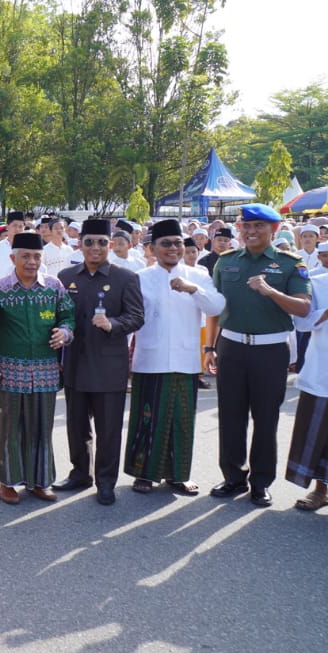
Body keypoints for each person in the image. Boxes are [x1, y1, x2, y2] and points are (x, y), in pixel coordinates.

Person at [206, 203, 311, 507]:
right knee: (231, 416)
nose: (251, 232)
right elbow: (215, 307)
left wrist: (271, 292)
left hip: (270, 350)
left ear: (273, 229)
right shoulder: (225, 262)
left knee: (266, 419)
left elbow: (303, 307)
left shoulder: (290, 264)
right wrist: (210, 347)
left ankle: (261, 482)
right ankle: (233, 477)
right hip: (232, 347)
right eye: (246, 226)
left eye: (259, 227)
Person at [124, 220, 226, 495]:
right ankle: (143, 474)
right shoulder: (140, 278)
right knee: (148, 418)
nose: (173, 248)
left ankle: (179, 475)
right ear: (152, 249)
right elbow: (130, 319)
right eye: (165, 244)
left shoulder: (199, 275)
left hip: (185, 360)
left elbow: (217, 306)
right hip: (150, 360)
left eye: (178, 243)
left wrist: (193, 289)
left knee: (181, 420)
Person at [55, 218, 145, 505]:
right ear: (79, 244)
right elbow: (58, 315)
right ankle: (80, 472)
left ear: (111, 245)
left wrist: (113, 323)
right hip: (75, 364)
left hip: (109, 366)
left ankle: (106, 481)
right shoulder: (66, 276)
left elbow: (137, 317)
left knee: (108, 430)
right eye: (89, 242)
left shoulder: (125, 278)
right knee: (77, 426)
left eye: (102, 242)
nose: (95, 248)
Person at [0, 232, 74, 503]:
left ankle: (40, 481)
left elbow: (68, 315)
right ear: (13, 258)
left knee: (42, 427)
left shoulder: (54, 286)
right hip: (9, 371)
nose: (32, 261)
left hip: (46, 371)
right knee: (9, 428)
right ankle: (8, 482)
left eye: (36, 256)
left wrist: (65, 332)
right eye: (25, 256)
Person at [287, 264, 328, 510]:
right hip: (323, 372)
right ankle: (320, 490)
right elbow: (302, 324)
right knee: (320, 435)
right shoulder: (318, 281)